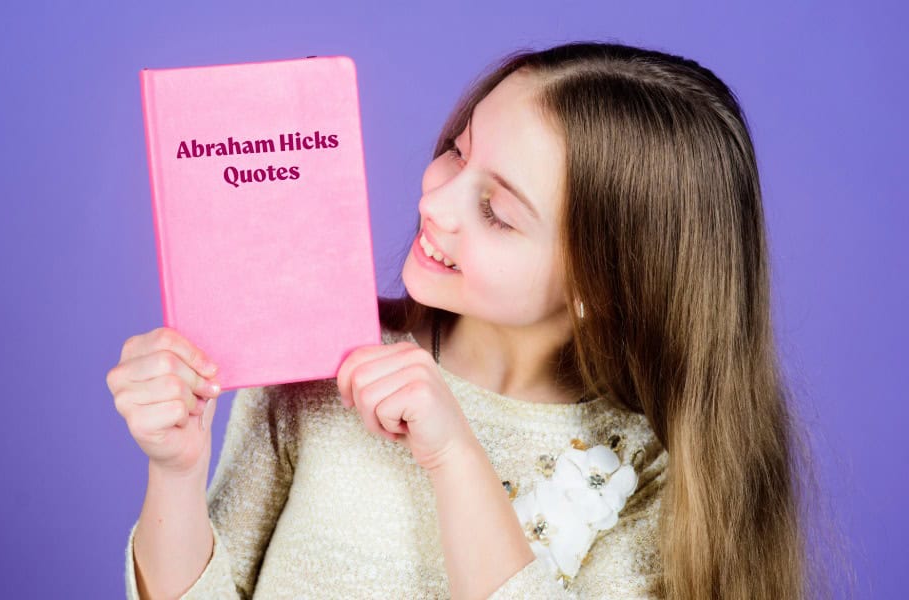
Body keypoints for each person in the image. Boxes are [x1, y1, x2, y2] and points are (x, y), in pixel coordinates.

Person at [109, 42, 825, 599]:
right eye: (458, 150)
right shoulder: (322, 361)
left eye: (495, 212)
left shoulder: (645, 470)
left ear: (603, 286)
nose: (435, 204)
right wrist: (176, 470)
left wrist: (455, 457)